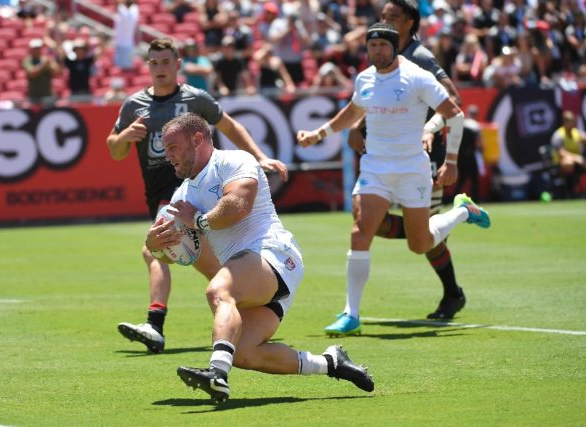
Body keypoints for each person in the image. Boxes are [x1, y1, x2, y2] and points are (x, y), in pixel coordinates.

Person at [145, 112, 373, 403]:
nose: (168, 156)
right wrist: (155, 244)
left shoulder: (233, 161)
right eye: (166, 149)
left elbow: (237, 205)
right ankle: (331, 363)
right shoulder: (183, 195)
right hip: (256, 276)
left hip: (275, 254)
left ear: (197, 139)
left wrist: (198, 222)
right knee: (243, 352)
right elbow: (168, 251)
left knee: (219, 289)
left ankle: (216, 373)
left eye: (173, 147)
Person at [297, 23, 491, 337]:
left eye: (382, 46)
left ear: (394, 47)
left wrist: (451, 160)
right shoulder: (365, 78)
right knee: (360, 232)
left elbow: (454, 114)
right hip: (375, 168)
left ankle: (464, 211)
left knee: (420, 244)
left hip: (412, 169)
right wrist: (318, 134)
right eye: (371, 47)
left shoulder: (417, 77)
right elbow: (351, 111)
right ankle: (352, 313)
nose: (376, 52)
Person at [107, 37, 288, 354]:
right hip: (161, 190)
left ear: (178, 64)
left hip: (193, 190)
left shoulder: (195, 98)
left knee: (154, 248)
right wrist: (123, 136)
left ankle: (154, 324)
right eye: (154, 62)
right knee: (209, 264)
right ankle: (253, 316)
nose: (160, 69)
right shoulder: (134, 104)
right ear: (147, 66)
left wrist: (258, 156)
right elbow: (115, 150)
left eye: (166, 62)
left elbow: (229, 126)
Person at [339, 0, 469, 335]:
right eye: (383, 17)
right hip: (385, 155)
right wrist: (356, 126)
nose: (386, 22)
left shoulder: (420, 57)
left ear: (411, 23)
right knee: (373, 224)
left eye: (393, 17)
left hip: (422, 151)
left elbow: (454, 102)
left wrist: (430, 129)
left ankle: (452, 292)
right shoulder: (381, 53)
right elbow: (371, 98)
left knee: (421, 235)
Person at [550, 111, 585, 197]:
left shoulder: (576, 132)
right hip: (560, 164)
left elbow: (583, 137)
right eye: (569, 121)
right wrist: (576, 158)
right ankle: (570, 191)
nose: (572, 123)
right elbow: (561, 153)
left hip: (578, 162)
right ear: (564, 122)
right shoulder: (558, 135)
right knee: (568, 162)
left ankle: (581, 189)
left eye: (573, 121)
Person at [454, 105, 484, 201]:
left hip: (460, 155)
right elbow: (479, 142)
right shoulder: (476, 125)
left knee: (461, 179)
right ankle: (475, 199)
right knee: (474, 178)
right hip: (471, 155)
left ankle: (454, 198)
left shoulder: (462, 123)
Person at [23, 38, 59, 104]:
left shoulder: (46, 59)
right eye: (35, 48)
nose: (37, 50)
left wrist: (49, 65)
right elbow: (32, 73)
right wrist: (43, 65)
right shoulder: (27, 60)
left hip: (47, 94)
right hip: (34, 96)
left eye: (38, 48)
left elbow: (56, 71)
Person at [113, 0, 139, 70]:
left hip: (122, 45)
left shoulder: (124, 11)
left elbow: (116, 3)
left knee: (120, 71)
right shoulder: (135, 10)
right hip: (129, 45)